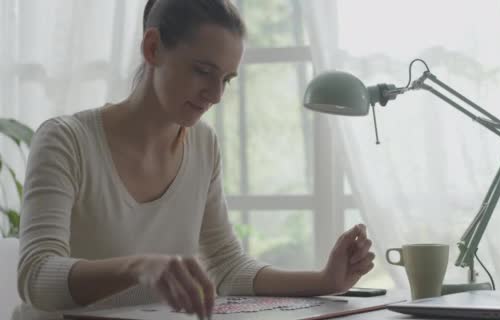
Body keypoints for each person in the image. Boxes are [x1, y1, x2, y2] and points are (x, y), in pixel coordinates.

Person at [15, 0, 376, 319]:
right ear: (153, 48)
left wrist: (326, 280)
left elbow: (227, 267)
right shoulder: (66, 141)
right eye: (202, 71)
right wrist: (139, 267)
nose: (216, 94)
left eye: (227, 79)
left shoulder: (203, 143)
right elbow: (36, 277)